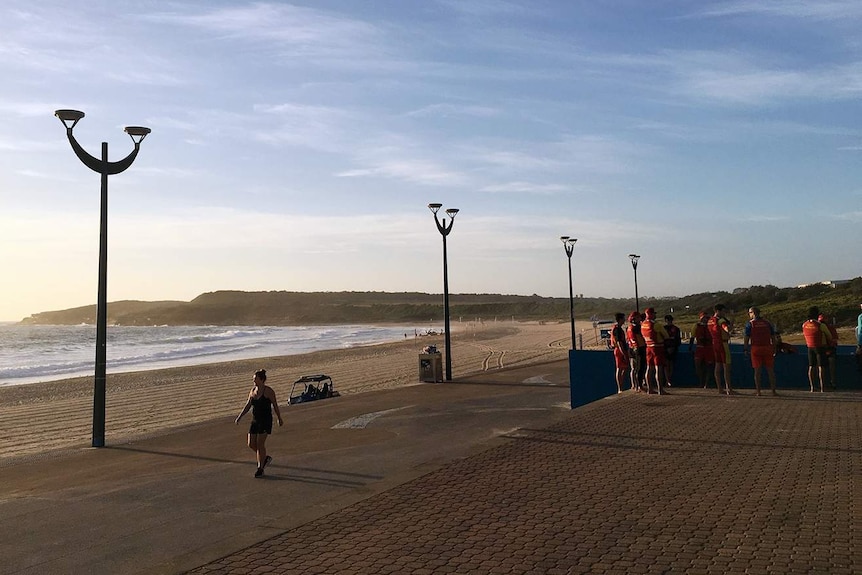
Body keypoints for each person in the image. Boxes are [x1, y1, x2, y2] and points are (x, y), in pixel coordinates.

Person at [235, 368, 284, 478]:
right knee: (251, 444)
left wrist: (279, 418)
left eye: (255, 378)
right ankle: (264, 458)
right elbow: (248, 405)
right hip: (255, 420)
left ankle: (260, 468)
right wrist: (239, 417)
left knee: (260, 444)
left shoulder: (268, 391)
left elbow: (275, 405)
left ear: (261, 380)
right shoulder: (252, 391)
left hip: (266, 420)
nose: (253, 380)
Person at [743, 307, 777, 396]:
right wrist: (774, 348)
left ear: (753, 313)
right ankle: (773, 391)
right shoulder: (767, 323)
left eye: (750, 312)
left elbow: (746, 338)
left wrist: (745, 349)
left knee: (757, 371)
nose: (749, 314)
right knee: (770, 370)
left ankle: (758, 391)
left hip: (756, 348)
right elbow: (773, 337)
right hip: (767, 347)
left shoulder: (750, 324)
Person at [802, 307, 833, 393]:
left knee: (811, 366)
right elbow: (829, 336)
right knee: (821, 367)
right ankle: (823, 388)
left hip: (809, 347)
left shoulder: (804, 324)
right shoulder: (820, 325)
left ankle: (812, 387)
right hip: (820, 347)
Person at [640, 307, 669, 394]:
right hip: (657, 347)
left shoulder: (643, 324)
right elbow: (666, 335)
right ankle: (660, 389)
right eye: (654, 313)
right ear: (651, 314)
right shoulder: (656, 325)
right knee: (658, 368)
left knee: (649, 368)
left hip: (648, 346)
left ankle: (650, 389)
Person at [707, 303, 733, 395]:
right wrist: (732, 320)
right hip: (723, 343)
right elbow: (727, 329)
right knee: (726, 367)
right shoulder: (720, 320)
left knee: (717, 366)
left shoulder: (710, 320)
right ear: (718, 311)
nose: (724, 313)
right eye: (723, 311)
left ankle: (719, 388)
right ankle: (728, 388)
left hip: (715, 343)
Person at [689, 310, 715, 389]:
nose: (705, 319)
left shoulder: (710, 326)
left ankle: (706, 384)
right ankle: (701, 381)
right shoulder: (696, 326)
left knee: (709, 366)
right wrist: (690, 347)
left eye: (707, 318)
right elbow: (692, 337)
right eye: (704, 318)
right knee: (698, 366)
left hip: (709, 348)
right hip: (699, 347)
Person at [626, 311, 646, 392]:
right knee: (639, 368)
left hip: (631, 348)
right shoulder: (637, 328)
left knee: (634, 369)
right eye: (638, 318)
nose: (639, 319)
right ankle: (639, 385)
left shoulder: (629, 328)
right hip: (638, 348)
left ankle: (634, 385)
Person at [610, 312, 629, 393]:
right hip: (619, 350)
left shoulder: (617, 328)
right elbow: (619, 342)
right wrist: (624, 353)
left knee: (624, 368)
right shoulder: (617, 329)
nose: (624, 320)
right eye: (623, 318)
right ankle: (620, 388)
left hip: (620, 349)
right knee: (619, 368)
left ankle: (621, 387)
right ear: (620, 319)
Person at [819, 313, 839, 389]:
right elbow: (835, 340)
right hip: (827, 349)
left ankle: (825, 384)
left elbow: (834, 340)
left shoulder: (826, 327)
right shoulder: (830, 327)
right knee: (831, 366)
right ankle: (831, 383)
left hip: (827, 349)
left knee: (825, 366)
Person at [663, 314, 682, 387]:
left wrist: (673, 347)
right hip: (666, 349)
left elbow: (678, 340)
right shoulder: (664, 328)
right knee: (666, 365)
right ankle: (667, 380)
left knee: (670, 365)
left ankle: (669, 380)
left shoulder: (676, 329)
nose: (669, 322)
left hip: (672, 348)